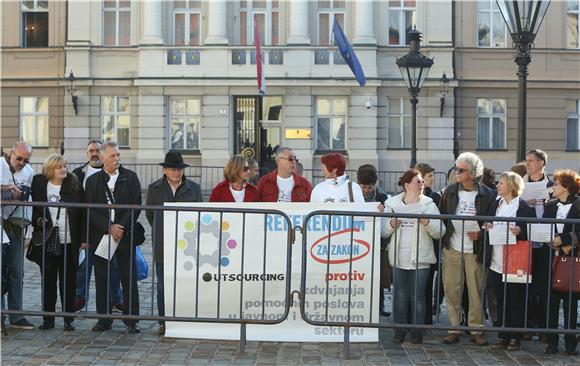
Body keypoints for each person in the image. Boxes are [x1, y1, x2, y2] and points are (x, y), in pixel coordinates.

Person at [439, 152, 496, 346]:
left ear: (472, 173)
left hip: (475, 248)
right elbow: (443, 216)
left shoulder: (487, 194)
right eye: (456, 168)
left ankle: (476, 328)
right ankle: (454, 328)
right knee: (452, 288)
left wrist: (481, 234)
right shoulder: (450, 191)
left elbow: (493, 223)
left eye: (461, 170)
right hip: (452, 246)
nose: (456, 172)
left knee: (476, 289)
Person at [85, 142, 142, 333]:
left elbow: (136, 205)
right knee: (102, 279)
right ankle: (104, 319)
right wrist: (108, 227)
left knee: (129, 278)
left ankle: (131, 320)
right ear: (102, 158)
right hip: (102, 237)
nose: (117, 159)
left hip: (125, 237)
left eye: (118, 155)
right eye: (112, 156)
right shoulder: (93, 181)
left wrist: (121, 228)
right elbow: (90, 210)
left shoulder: (130, 177)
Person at [382, 169, 445, 344]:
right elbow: (382, 230)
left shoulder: (429, 205)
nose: (421, 184)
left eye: (421, 182)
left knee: (418, 297)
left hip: (421, 257)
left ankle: (417, 331)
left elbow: (440, 231)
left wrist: (427, 222)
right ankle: (400, 330)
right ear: (407, 184)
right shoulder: (393, 204)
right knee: (400, 295)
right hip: (398, 257)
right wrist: (391, 224)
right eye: (417, 181)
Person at [146, 150, 202, 335]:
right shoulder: (154, 189)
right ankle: (164, 321)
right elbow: (150, 216)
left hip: (188, 245)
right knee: (163, 286)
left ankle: (187, 318)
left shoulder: (194, 188)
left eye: (179, 169)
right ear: (164, 170)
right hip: (164, 244)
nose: (177, 173)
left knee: (187, 283)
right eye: (172, 169)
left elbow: (200, 214)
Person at [30, 154, 84, 331]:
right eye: (59, 166)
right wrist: (38, 220)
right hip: (48, 240)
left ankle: (68, 319)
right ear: (50, 168)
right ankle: (48, 319)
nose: (63, 169)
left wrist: (83, 239)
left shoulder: (74, 185)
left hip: (69, 240)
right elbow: (35, 208)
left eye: (64, 166)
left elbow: (83, 214)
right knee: (48, 280)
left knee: (69, 280)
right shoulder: (39, 183)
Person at [485, 172, 535, 351]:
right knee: (500, 298)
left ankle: (515, 336)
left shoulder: (524, 208)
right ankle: (502, 335)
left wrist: (520, 230)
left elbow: (532, 231)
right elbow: (488, 224)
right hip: (496, 258)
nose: (498, 185)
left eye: (502, 183)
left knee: (516, 298)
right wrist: (487, 226)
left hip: (515, 260)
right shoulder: (495, 204)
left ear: (512, 186)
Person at [72, 140, 123, 313]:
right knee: (83, 266)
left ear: (102, 154)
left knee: (113, 267)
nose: (94, 154)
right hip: (86, 227)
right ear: (87, 154)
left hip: (109, 228)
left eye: (96, 150)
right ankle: (80, 298)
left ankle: (117, 299)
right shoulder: (78, 174)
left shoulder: (115, 174)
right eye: (90, 151)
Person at [543, 170, 580, 356]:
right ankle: (551, 342)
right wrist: (551, 241)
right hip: (552, 259)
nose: (553, 187)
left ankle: (570, 343)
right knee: (551, 303)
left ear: (566, 187)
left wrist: (566, 241)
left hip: (572, 260)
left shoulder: (579, 206)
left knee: (570, 304)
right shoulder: (549, 206)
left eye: (556, 184)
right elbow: (542, 229)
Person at [0, 141, 35, 329]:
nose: (21, 162)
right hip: (0, 224)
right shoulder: (0, 165)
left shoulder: (29, 172)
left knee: (17, 271)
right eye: (18, 158)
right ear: (10, 153)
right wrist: (7, 188)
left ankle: (16, 314)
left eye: (26, 159)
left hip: (16, 225)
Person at [523, 149, 553, 336]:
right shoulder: (521, 183)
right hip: (526, 236)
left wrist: (547, 201)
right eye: (526, 161)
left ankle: (543, 326)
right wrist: (527, 204)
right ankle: (527, 323)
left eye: (531, 160)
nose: (527, 164)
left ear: (541, 163)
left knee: (543, 283)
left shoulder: (551, 184)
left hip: (545, 238)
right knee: (526, 282)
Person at [357, 164, 390, 317]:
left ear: (374, 185)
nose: (366, 191)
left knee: (378, 276)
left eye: (369, 187)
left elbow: (388, 220)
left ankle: (379, 306)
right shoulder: (353, 195)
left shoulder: (382, 197)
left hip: (377, 243)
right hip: (358, 241)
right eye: (363, 187)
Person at [414, 163, 443, 324]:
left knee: (427, 285)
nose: (433, 178)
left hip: (431, 245)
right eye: (430, 175)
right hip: (414, 244)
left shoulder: (435, 198)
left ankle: (425, 319)